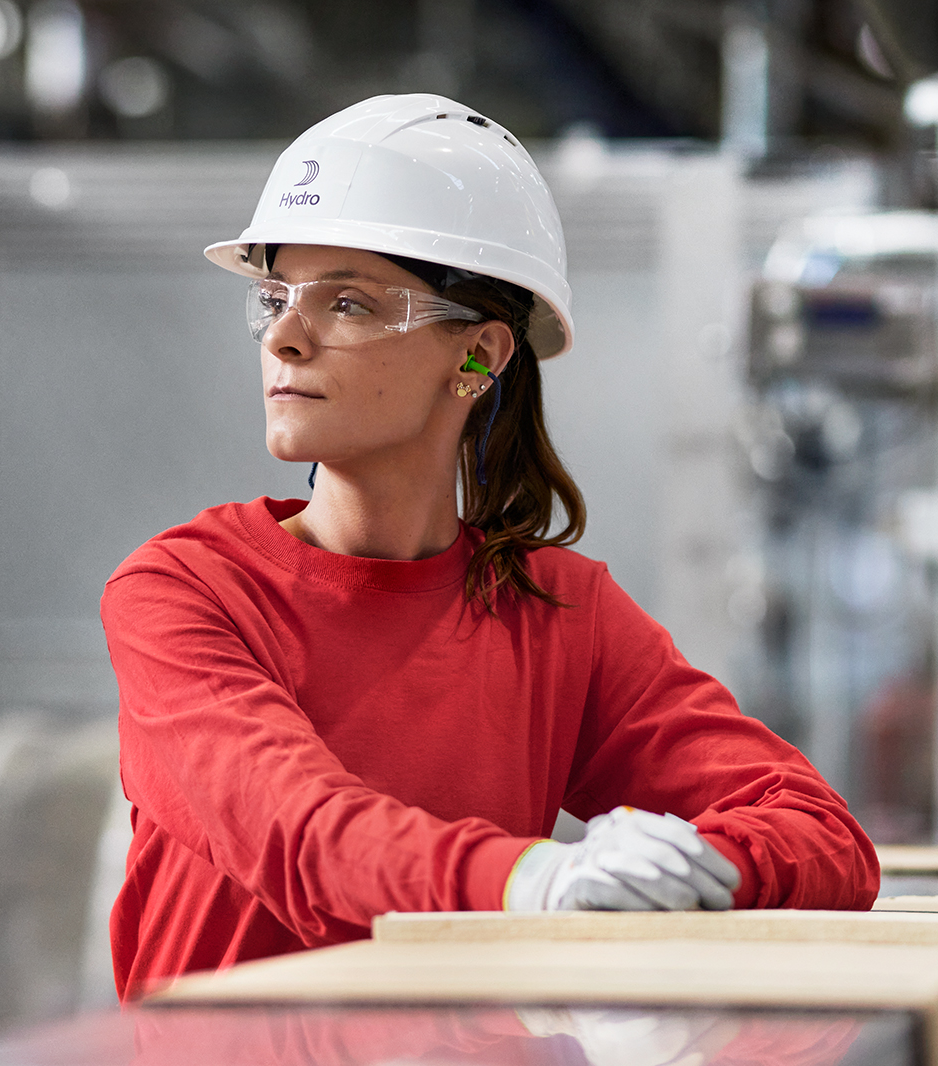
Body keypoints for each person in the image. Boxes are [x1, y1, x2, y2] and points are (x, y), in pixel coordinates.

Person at [99, 94, 879, 1002]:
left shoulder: (559, 615)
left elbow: (824, 835)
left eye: (346, 301)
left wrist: (688, 868)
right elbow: (301, 833)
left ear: (478, 357)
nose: (284, 336)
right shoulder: (185, 590)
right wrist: (533, 882)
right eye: (275, 297)